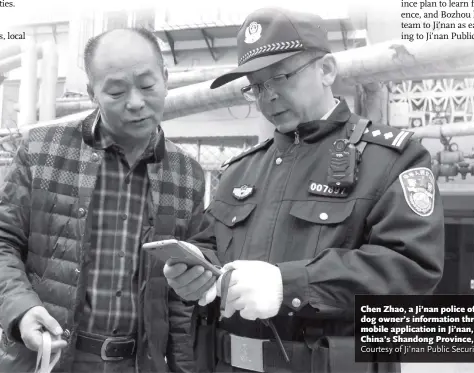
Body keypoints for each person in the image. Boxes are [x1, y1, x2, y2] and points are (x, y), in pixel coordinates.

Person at [163, 7, 445, 373]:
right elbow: (212, 246)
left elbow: (412, 269)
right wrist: (194, 269)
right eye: (257, 86)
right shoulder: (240, 170)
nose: (269, 97)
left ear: (326, 70)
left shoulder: (390, 160)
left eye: (281, 77)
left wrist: (290, 285)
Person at [0, 27, 205, 373]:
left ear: (166, 78)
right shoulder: (43, 150)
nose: (136, 102)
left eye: (147, 85)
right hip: (49, 358)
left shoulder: (188, 175)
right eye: (115, 91)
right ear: (91, 93)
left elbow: (185, 297)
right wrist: (20, 309)